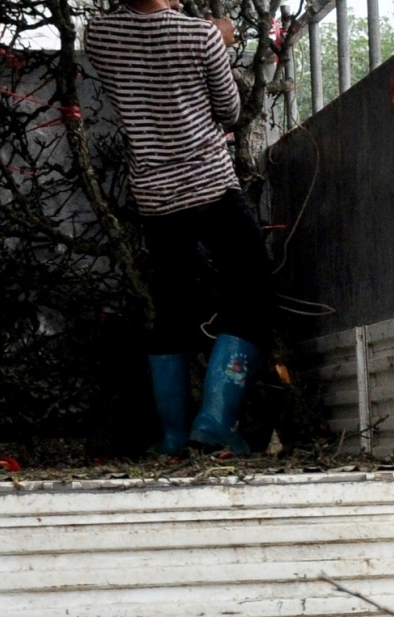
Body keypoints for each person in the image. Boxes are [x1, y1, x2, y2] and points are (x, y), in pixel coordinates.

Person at [84, 0, 269, 455]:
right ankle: (215, 420)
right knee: (251, 289)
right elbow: (228, 111)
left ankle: (171, 435)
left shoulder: (99, 37)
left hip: (155, 195)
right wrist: (220, 40)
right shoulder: (200, 36)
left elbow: (143, 45)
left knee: (173, 304)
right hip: (209, 186)